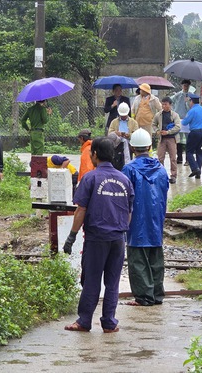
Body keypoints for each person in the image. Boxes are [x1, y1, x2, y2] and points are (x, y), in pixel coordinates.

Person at [63, 137, 134, 333]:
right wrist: (120, 231)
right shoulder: (124, 180)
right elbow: (128, 212)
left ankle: (84, 321)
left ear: (94, 154)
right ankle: (109, 323)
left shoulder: (90, 178)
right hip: (118, 239)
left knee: (91, 280)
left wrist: (72, 237)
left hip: (97, 238)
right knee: (112, 282)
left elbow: (81, 210)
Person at [121, 129, 169, 306]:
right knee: (156, 257)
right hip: (156, 219)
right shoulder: (161, 170)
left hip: (136, 221)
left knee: (138, 260)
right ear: (149, 146)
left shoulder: (129, 169)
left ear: (133, 148)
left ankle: (144, 297)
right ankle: (156, 295)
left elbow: (124, 197)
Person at [152, 97, 181, 183]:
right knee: (160, 158)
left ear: (170, 105)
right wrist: (157, 131)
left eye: (166, 104)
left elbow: (178, 126)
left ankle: (173, 176)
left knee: (173, 158)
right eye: (163, 104)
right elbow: (153, 124)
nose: (164, 106)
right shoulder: (158, 115)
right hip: (162, 139)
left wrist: (168, 132)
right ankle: (161, 175)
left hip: (172, 138)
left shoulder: (175, 115)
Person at [180, 94, 202, 179]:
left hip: (194, 132)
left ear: (191, 101)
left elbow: (184, 122)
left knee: (189, 151)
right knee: (200, 152)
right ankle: (198, 172)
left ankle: (195, 168)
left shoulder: (192, 111)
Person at [170, 79, 193, 164]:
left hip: (187, 120)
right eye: (184, 85)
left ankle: (188, 159)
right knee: (178, 139)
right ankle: (179, 158)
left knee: (188, 140)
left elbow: (190, 108)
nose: (185, 87)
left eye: (187, 86)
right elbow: (170, 101)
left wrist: (187, 102)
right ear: (182, 86)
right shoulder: (178, 95)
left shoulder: (190, 96)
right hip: (178, 119)